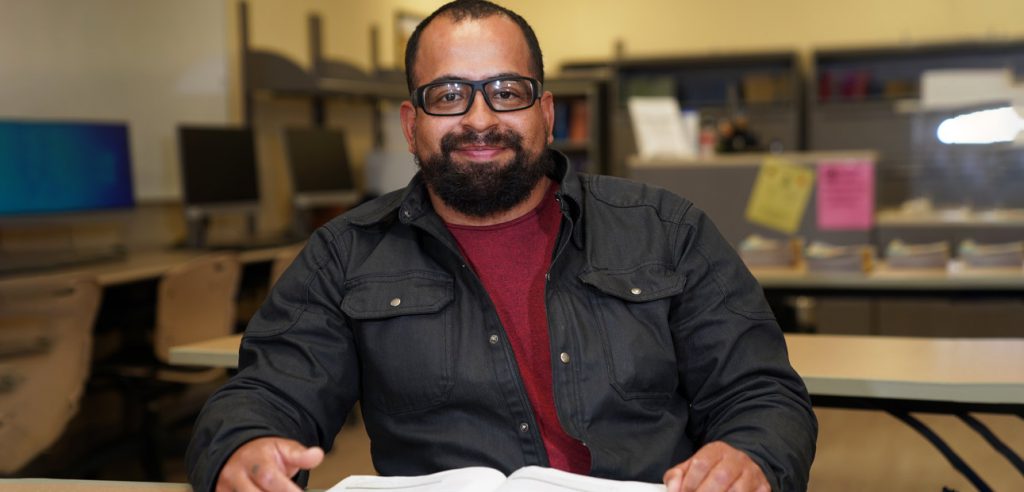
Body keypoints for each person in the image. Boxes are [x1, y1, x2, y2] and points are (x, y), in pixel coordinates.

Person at [186, 1, 817, 491]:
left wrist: (750, 455)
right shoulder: (345, 255)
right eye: (449, 95)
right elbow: (267, 391)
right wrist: (245, 446)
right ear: (412, 124)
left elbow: (760, 392)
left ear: (545, 112)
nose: (480, 119)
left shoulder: (668, 230)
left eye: (506, 92)